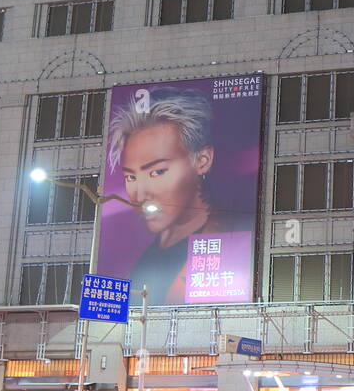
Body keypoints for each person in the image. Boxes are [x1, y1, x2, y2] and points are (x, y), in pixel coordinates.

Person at [106, 88, 249, 304]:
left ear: (202, 160)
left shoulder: (233, 240)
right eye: (131, 177)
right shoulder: (142, 261)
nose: (140, 194)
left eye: (157, 172)